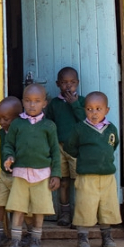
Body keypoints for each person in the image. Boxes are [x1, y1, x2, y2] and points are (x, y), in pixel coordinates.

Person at [3, 84, 61, 247]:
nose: (32, 105)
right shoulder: (17, 124)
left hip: (42, 175)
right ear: (23, 102)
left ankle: (36, 240)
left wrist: (56, 174)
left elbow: (55, 152)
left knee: (39, 209)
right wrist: (9, 157)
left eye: (37, 101)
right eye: (28, 101)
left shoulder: (49, 126)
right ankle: (15, 241)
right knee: (18, 208)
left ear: (44, 103)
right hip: (20, 174)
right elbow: (8, 145)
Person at [64, 91, 121, 247]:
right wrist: (83, 156)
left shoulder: (111, 129)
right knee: (85, 206)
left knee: (106, 206)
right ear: (84, 110)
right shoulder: (80, 129)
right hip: (86, 176)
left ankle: (107, 237)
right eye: (89, 109)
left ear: (106, 110)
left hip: (107, 176)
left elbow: (113, 144)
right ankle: (83, 238)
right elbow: (70, 147)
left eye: (98, 109)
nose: (94, 113)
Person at [45, 67, 86, 227]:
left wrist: (75, 104)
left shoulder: (82, 102)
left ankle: (80, 215)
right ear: (57, 84)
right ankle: (65, 213)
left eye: (72, 83)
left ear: (78, 83)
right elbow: (49, 124)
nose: (68, 86)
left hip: (76, 149)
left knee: (78, 182)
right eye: (64, 83)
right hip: (59, 148)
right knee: (63, 182)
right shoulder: (54, 104)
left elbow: (85, 121)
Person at [0, 97, 23, 247]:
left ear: (18, 117)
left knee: (21, 206)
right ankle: (0, 233)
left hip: (18, 175)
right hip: (4, 174)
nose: (1, 122)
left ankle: (26, 234)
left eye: (6, 119)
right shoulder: (2, 132)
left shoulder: (22, 132)